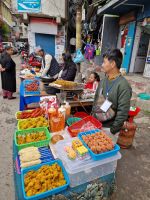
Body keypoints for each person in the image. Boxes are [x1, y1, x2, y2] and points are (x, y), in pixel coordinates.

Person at [92, 49, 132, 143]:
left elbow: (123, 112)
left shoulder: (123, 85)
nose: (102, 64)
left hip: (110, 128)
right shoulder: (103, 81)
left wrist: (112, 131)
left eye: (104, 62)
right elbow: (95, 101)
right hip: (97, 125)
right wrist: (93, 121)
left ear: (113, 64)